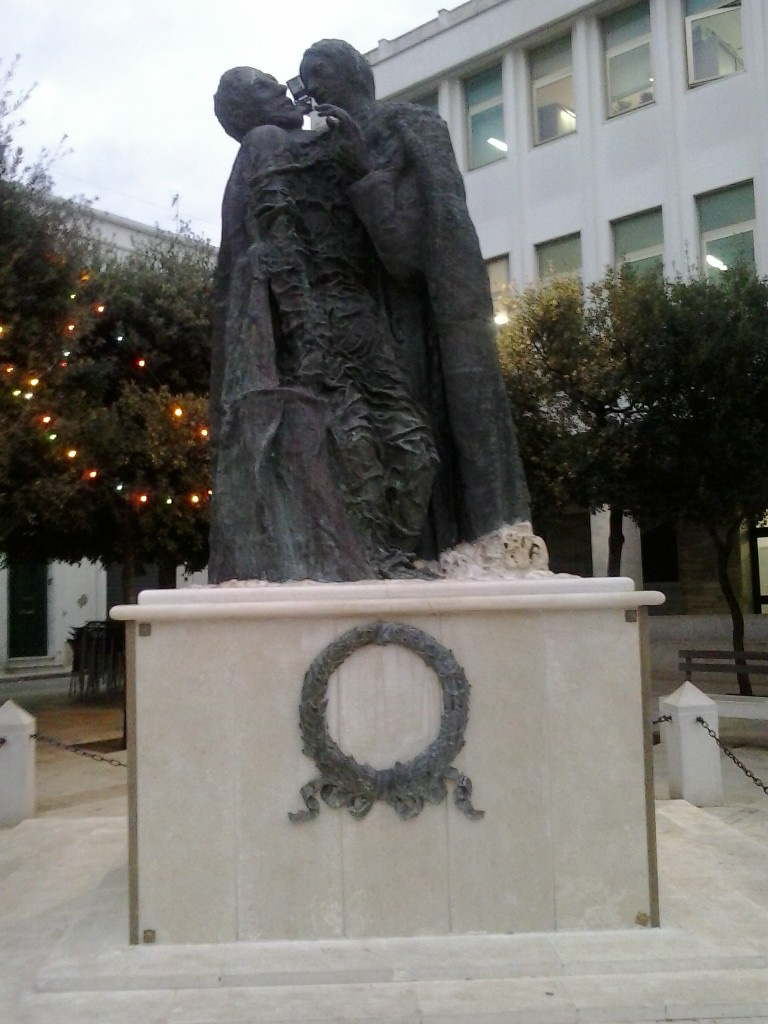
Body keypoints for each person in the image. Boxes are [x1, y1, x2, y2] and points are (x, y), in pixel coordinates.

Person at [299, 40, 531, 558]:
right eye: (304, 77)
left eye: (320, 71)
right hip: (343, 334)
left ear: (355, 74)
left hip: (405, 326)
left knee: (414, 445)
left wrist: (363, 174)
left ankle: (421, 551)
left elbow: (412, 255)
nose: (311, 86)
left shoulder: (406, 128)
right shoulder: (314, 154)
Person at [208, 67, 437, 583]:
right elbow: (278, 244)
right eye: (265, 88)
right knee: (354, 451)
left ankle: (391, 557)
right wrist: (306, 334)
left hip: (360, 315)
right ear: (249, 112)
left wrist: (355, 160)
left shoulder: (326, 140)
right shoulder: (265, 142)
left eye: (275, 81)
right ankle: (375, 561)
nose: (281, 89)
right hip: (315, 322)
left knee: (416, 449)